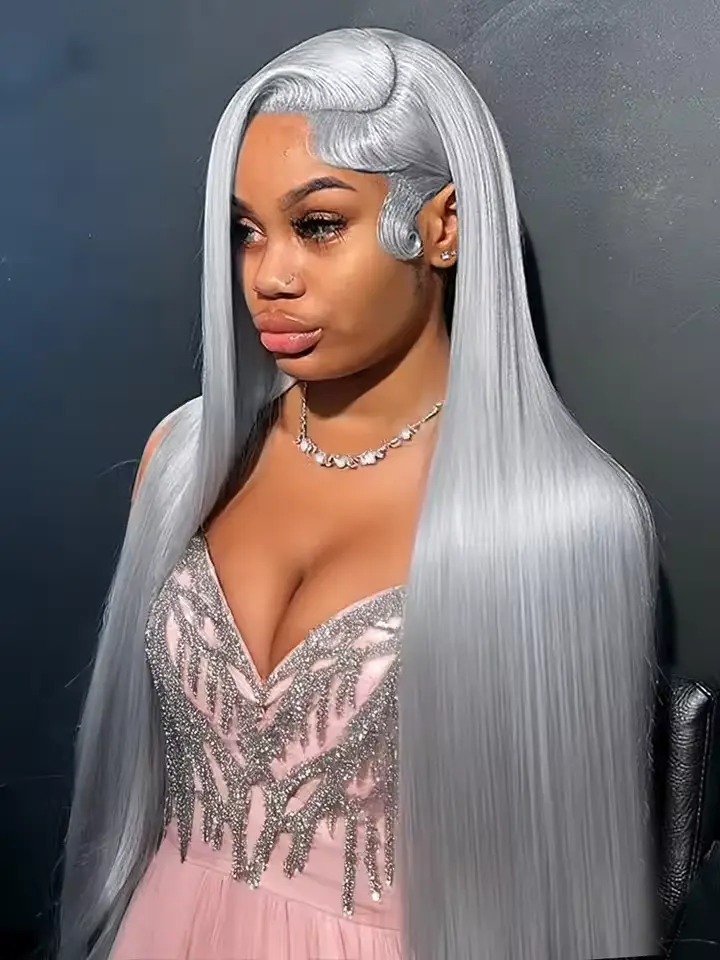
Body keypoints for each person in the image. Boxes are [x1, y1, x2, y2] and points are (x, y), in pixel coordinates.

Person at [58, 26, 660, 960]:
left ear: (443, 227)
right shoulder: (184, 460)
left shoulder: (562, 520)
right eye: (247, 231)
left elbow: (563, 882)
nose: (268, 276)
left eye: (318, 225)